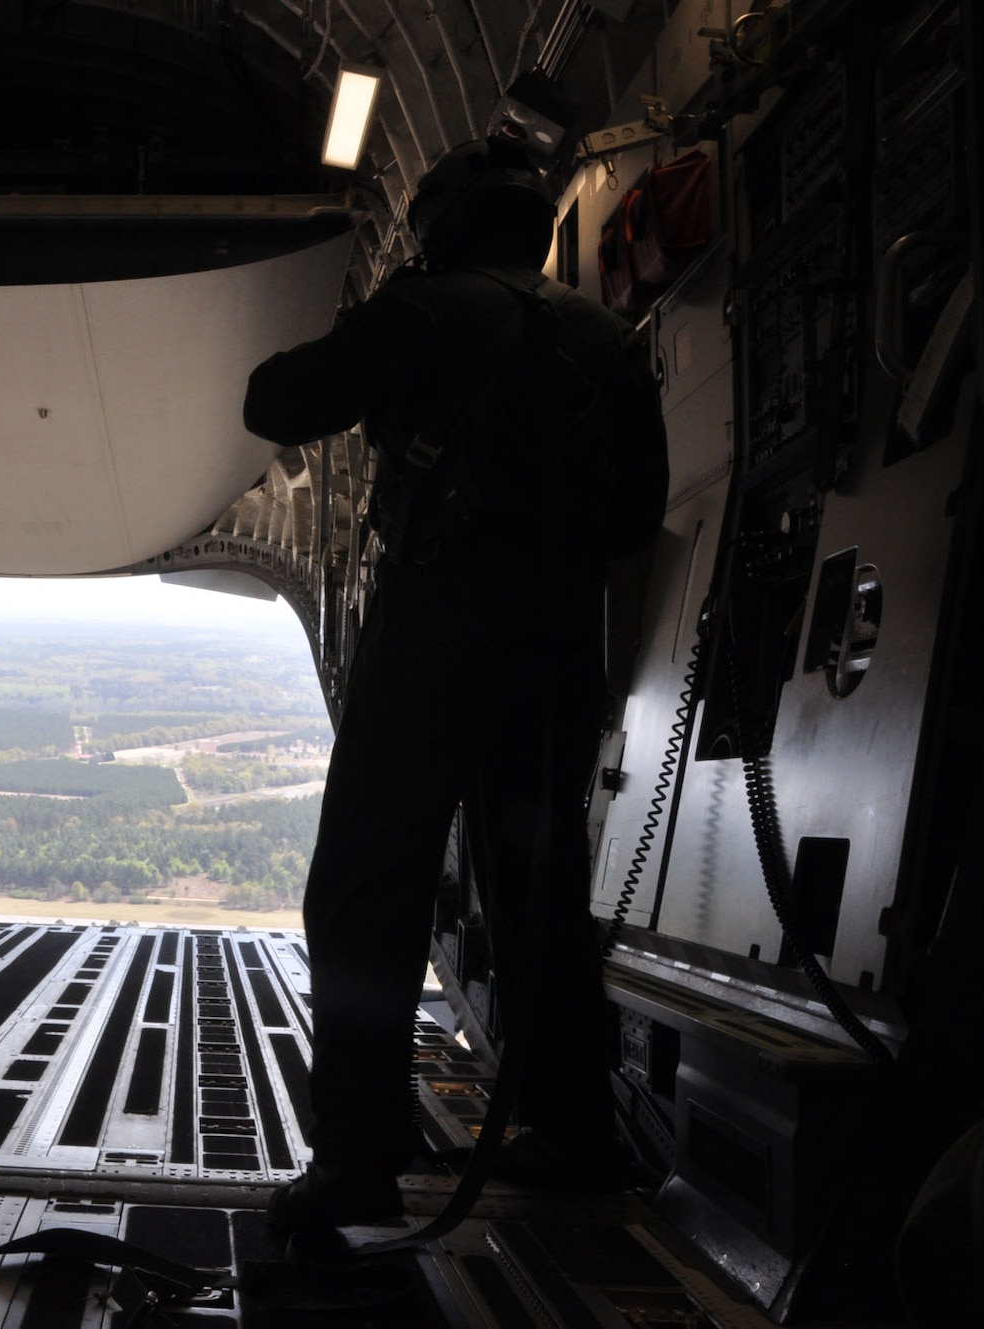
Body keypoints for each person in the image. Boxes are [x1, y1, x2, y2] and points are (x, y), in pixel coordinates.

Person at [242, 137, 668, 1229]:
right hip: (556, 651)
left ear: (437, 229)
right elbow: (631, 520)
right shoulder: (608, 340)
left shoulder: (422, 312)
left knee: (365, 889)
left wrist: (379, 321)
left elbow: (274, 402)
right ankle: (575, 1131)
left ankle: (355, 1159)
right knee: (538, 895)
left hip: (434, 637)